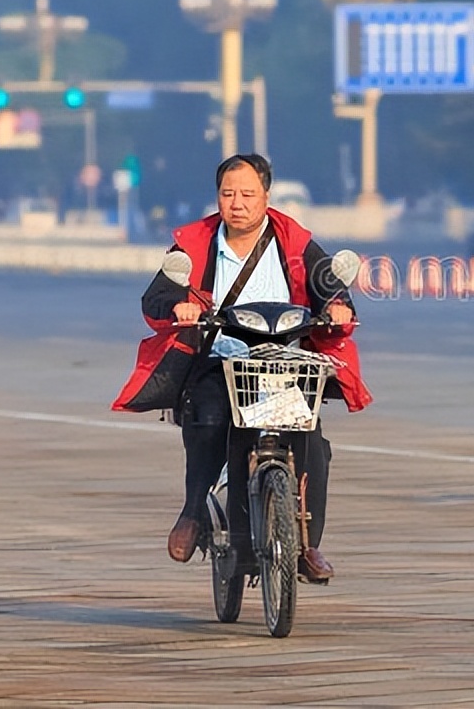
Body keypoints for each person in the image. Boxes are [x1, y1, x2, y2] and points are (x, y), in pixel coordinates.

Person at [113, 154, 371, 582]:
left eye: (248, 194)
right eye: (228, 193)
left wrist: (339, 307)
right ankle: (193, 512)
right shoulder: (195, 245)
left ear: (266, 196)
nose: (237, 203)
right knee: (209, 420)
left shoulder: (295, 242)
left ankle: (308, 545)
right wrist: (180, 305)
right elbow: (155, 298)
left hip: (286, 362)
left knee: (312, 442)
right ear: (218, 197)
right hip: (222, 359)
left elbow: (330, 288)